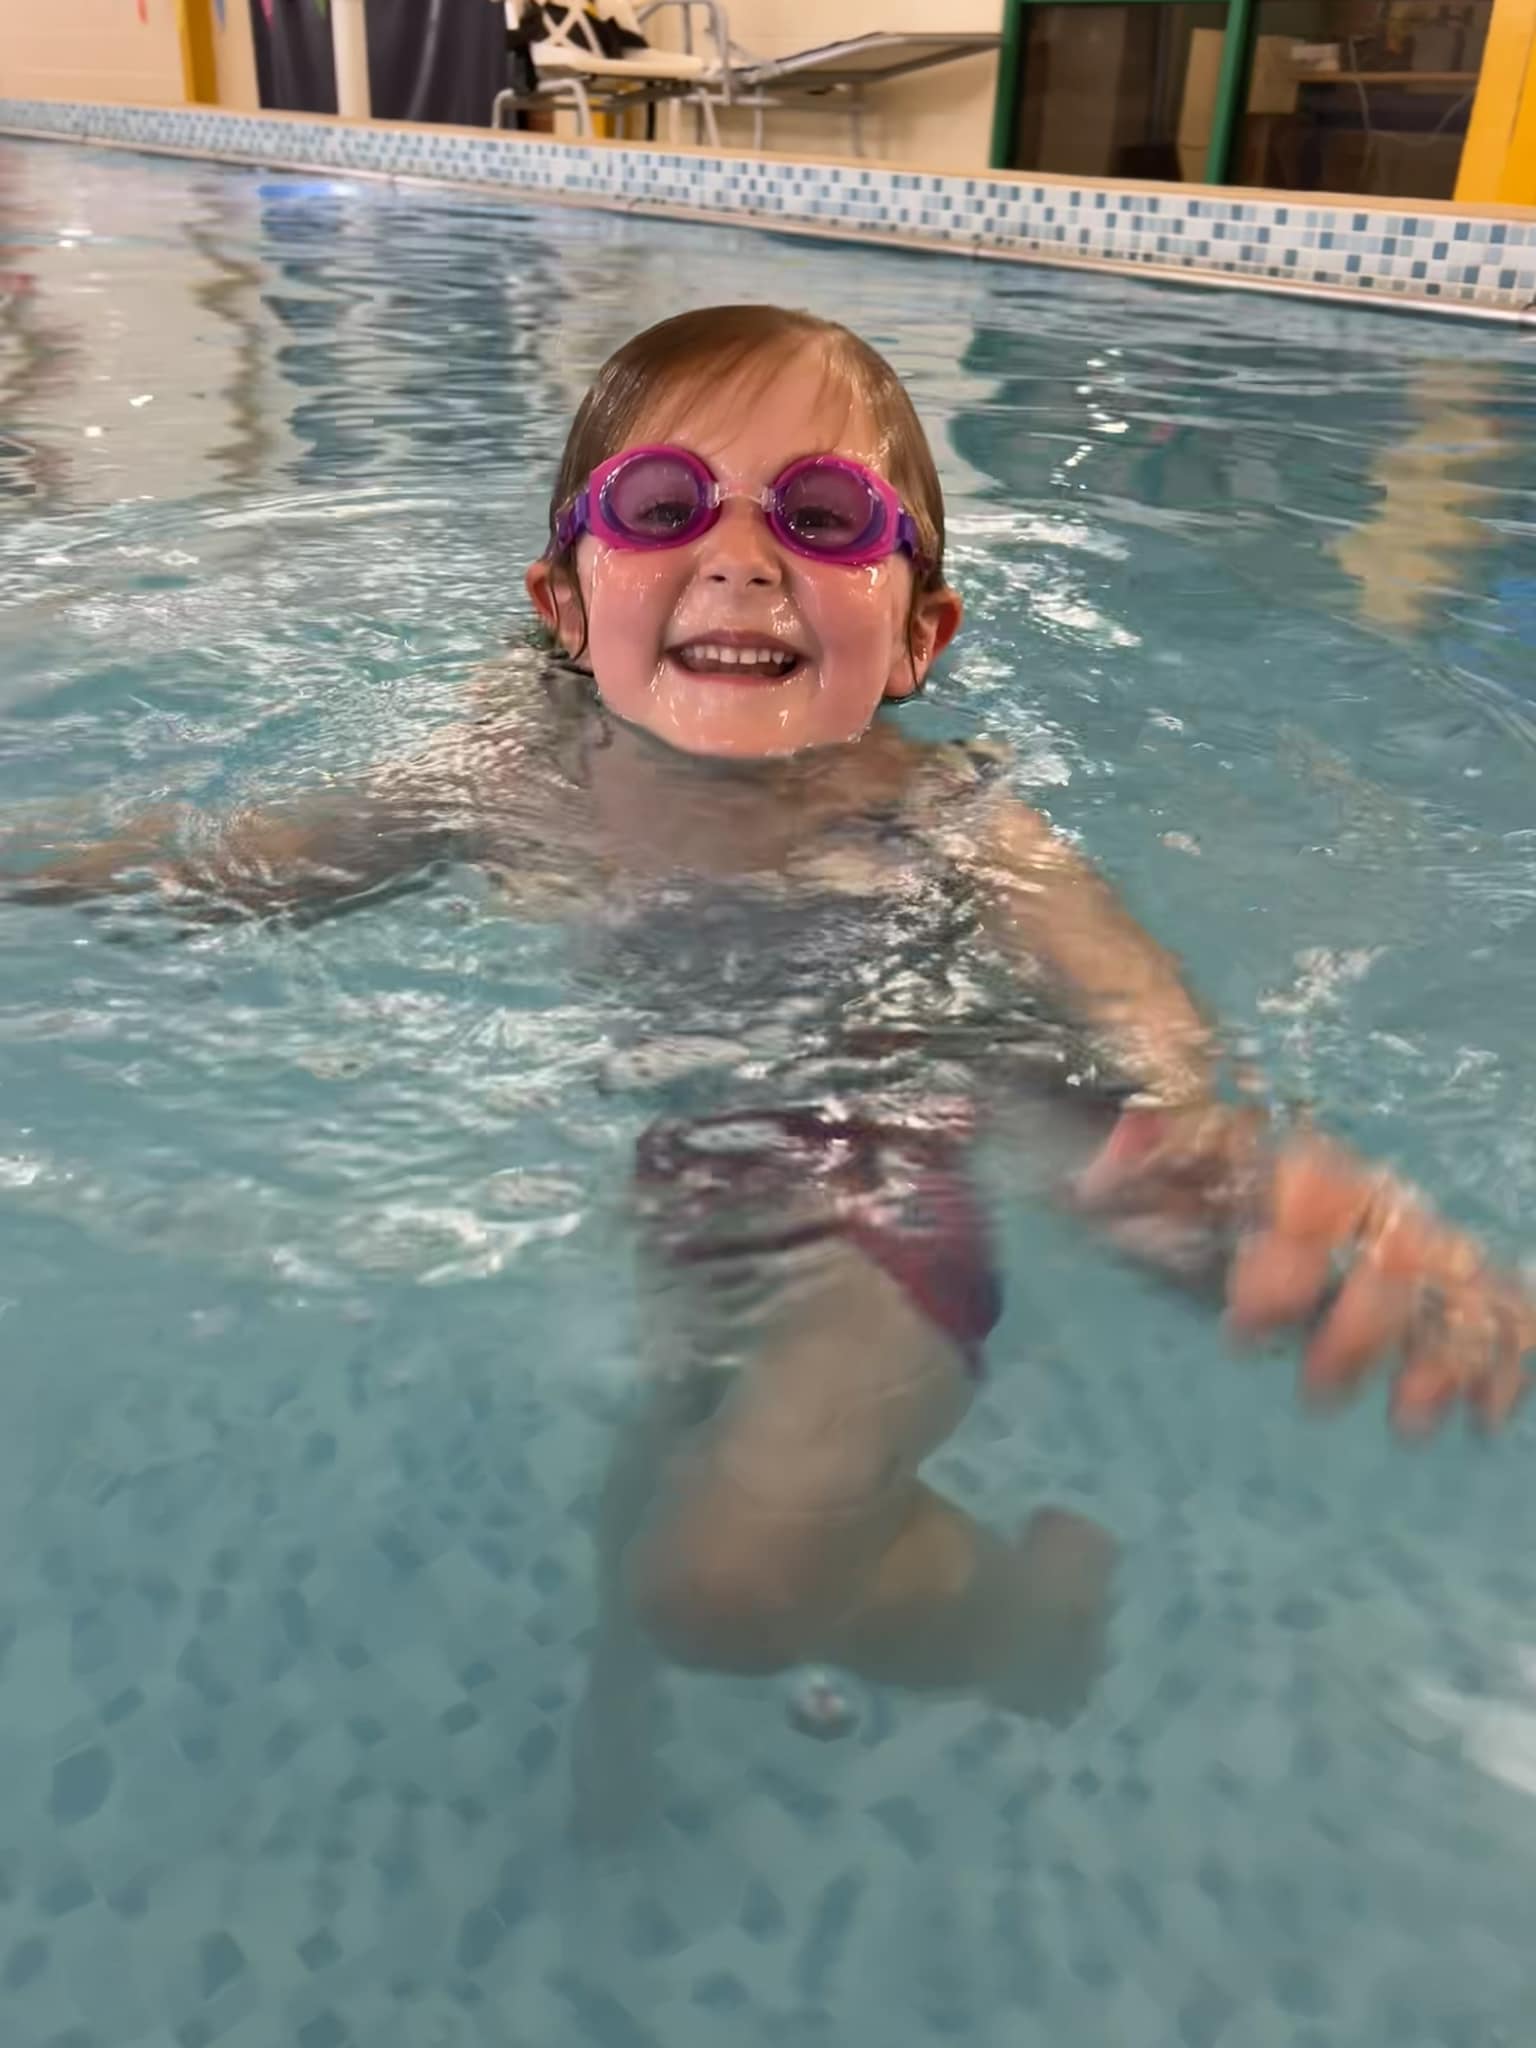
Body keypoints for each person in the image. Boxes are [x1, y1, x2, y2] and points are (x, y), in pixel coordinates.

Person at [7, 306, 1531, 1815]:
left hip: (893, 1199)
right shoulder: (505, 775)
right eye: (664, 505)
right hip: (690, 1172)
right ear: (563, 602)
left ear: (920, 633)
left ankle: (1017, 1623)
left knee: (723, 1583)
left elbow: (1123, 994)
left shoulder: (935, 815)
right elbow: (244, 868)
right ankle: (629, 1725)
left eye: (822, 514)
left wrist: (1200, 1116)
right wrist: (37, 864)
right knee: (656, 1496)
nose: (741, 556)